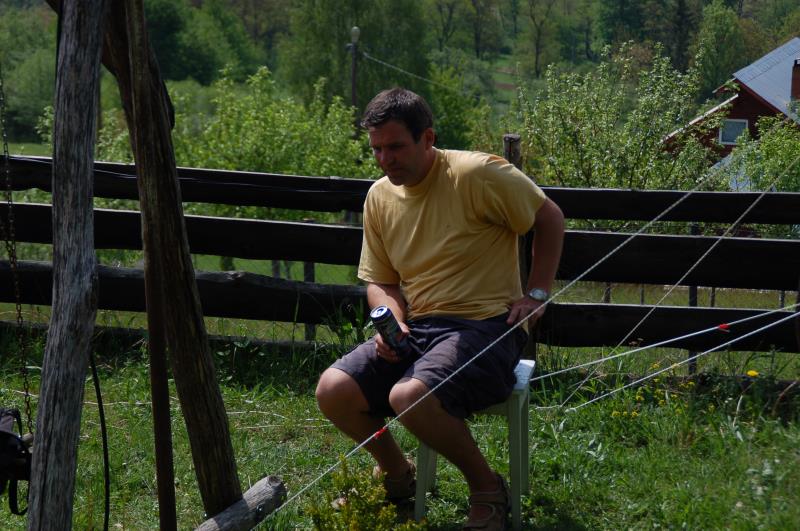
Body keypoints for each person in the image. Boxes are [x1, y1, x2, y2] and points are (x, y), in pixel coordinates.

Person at [316, 88, 564, 530]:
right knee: (333, 390)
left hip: (488, 327)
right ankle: (397, 474)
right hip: (419, 329)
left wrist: (537, 294)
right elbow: (381, 281)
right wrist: (392, 322)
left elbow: (550, 218)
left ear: (427, 137)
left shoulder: (477, 173)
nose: (385, 159)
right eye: (376, 149)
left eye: (396, 146)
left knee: (408, 395)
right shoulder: (379, 197)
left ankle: (488, 490)